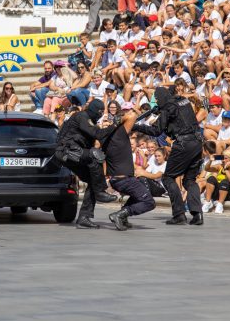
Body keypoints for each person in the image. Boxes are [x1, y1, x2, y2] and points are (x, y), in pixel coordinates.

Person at [132, 87, 204, 226]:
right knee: (189, 180)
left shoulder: (167, 108)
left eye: (157, 100)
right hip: (197, 143)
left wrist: (136, 126)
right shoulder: (183, 101)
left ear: (162, 98)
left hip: (183, 143)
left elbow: (156, 131)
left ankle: (179, 215)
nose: (157, 102)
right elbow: (179, 117)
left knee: (168, 177)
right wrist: (162, 113)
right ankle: (197, 214)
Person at [55, 99, 119, 229]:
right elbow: (97, 134)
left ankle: (84, 216)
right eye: (99, 111)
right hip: (67, 152)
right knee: (95, 156)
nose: (100, 114)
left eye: (103, 112)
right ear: (94, 109)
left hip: (75, 153)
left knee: (92, 180)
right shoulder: (82, 116)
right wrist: (113, 126)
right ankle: (101, 191)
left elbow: (98, 136)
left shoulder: (90, 120)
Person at [102, 107, 156, 231]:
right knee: (149, 202)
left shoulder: (105, 137)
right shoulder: (119, 134)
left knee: (138, 194)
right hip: (124, 179)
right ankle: (120, 214)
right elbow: (132, 116)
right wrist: (122, 118)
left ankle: (123, 217)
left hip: (116, 179)